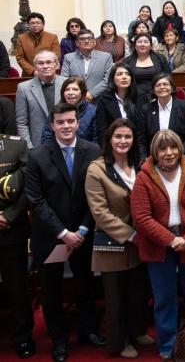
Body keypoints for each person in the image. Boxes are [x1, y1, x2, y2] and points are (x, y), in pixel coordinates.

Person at [25, 103, 105, 362]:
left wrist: (82, 228)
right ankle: (59, 339)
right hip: (51, 237)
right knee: (51, 289)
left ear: (78, 123)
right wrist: (62, 233)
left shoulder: (93, 151)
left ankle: (88, 330)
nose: (66, 126)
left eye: (70, 121)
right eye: (61, 122)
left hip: (83, 234)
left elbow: (96, 195)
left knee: (85, 283)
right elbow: (36, 200)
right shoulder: (37, 155)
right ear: (52, 125)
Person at [132, 129, 185, 361]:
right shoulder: (144, 177)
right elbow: (142, 217)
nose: (168, 153)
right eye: (162, 148)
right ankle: (168, 344)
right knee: (164, 297)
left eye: (173, 147)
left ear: (180, 149)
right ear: (154, 152)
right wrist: (170, 239)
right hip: (158, 245)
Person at [84, 119, 152, 359]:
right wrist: (130, 234)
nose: (123, 141)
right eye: (118, 137)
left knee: (137, 292)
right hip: (113, 243)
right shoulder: (97, 168)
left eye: (128, 137)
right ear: (109, 140)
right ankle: (119, 341)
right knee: (116, 298)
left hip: (140, 242)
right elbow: (100, 213)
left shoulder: (140, 165)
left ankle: (137, 331)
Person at [0, 130, 34, 358]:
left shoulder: (17, 146)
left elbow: (28, 187)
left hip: (11, 230)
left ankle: (23, 337)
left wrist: (9, 215)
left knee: (17, 288)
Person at [15, 50, 66, 148]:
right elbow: (22, 122)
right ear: (35, 67)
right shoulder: (24, 88)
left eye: (49, 62)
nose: (45, 66)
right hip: (38, 144)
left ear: (57, 65)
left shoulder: (67, 84)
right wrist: (29, 148)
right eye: (41, 63)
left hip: (65, 142)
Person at [95, 64, 147, 152]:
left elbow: (143, 130)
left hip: (137, 147)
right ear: (113, 78)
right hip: (113, 147)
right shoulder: (105, 99)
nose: (124, 77)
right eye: (119, 74)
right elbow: (102, 131)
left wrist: (142, 153)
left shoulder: (141, 97)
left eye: (127, 74)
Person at [147, 73, 185, 158]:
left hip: (183, 156)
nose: (162, 87)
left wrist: (179, 154)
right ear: (153, 90)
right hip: (155, 157)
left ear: (172, 88)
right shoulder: (146, 109)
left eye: (165, 84)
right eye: (158, 85)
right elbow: (142, 139)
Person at [41, 77, 98, 145]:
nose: (70, 93)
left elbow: (96, 140)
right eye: (67, 89)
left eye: (75, 89)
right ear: (63, 93)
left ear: (82, 92)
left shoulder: (93, 111)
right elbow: (46, 137)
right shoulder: (55, 111)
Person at [61, 29, 112, 102]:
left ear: (94, 42)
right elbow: (64, 79)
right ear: (77, 43)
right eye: (82, 39)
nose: (86, 41)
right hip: (75, 100)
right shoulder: (68, 58)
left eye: (89, 38)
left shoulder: (106, 57)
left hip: (100, 100)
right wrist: (78, 94)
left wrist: (91, 94)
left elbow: (108, 79)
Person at [123, 33, 168, 100]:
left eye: (146, 42)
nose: (142, 44)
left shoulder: (160, 58)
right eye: (139, 42)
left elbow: (168, 77)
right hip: (135, 96)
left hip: (158, 94)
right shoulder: (127, 61)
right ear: (135, 46)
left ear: (151, 46)